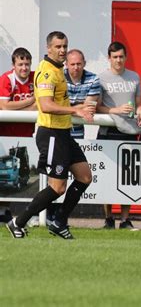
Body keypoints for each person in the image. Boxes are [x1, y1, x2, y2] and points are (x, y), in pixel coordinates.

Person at [6, 31, 94, 239]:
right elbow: (45, 105)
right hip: (51, 133)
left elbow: (57, 101)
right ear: (49, 48)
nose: (62, 50)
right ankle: (17, 222)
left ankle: (59, 222)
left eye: (65, 46)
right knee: (57, 187)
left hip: (63, 132)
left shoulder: (58, 69)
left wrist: (77, 105)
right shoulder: (47, 71)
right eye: (58, 47)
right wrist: (75, 111)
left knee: (84, 177)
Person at [45, 49, 101, 224]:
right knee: (56, 181)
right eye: (72, 64)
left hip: (77, 135)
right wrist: (77, 107)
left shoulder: (93, 79)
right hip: (57, 134)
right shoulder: (57, 76)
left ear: (84, 63)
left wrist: (70, 106)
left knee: (83, 177)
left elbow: (91, 106)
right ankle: (46, 216)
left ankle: (60, 218)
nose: (76, 67)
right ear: (66, 65)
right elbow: (53, 103)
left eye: (79, 64)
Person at [96, 41, 141, 230]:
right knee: (108, 176)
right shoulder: (101, 78)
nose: (118, 60)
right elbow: (98, 106)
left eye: (121, 56)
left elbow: (139, 102)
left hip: (130, 132)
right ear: (109, 58)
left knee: (128, 176)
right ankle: (108, 218)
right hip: (108, 131)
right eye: (115, 57)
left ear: (126, 57)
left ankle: (125, 219)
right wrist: (115, 110)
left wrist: (140, 111)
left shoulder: (134, 77)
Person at [0, 47, 36, 224]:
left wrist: (21, 105)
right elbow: (5, 106)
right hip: (6, 134)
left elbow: (41, 106)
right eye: (20, 64)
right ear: (13, 65)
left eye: (27, 64)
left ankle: (28, 214)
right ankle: (3, 210)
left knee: (26, 174)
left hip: (28, 134)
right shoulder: (7, 78)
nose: (24, 68)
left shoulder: (35, 77)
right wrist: (30, 101)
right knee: (4, 175)